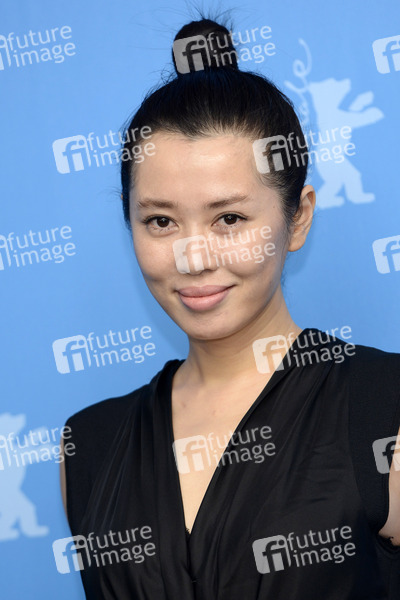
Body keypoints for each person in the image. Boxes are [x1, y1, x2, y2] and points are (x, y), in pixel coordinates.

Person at [60, 17, 400, 600]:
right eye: (160, 221)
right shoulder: (88, 445)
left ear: (298, 218)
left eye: (229, 219)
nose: (193, 258)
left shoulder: (383, 407)